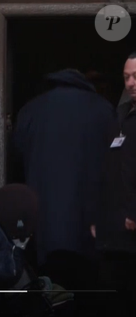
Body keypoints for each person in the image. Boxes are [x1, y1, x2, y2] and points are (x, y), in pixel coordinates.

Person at [13, 68, 116, 316]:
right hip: (90, 217)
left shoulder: (31, 109)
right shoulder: (103, 109)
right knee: (89, 290)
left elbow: (16, 157)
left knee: (49, 291)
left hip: (44, 217)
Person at [95, 51, 136, 317]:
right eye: (126, 77)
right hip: (117, 228)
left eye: (135, 76)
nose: (131, 82)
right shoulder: (120, 115)